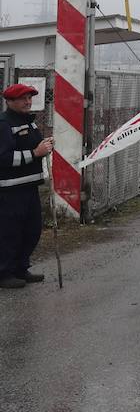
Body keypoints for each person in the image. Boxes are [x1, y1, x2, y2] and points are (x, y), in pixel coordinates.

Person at [0, 83, 52, 289]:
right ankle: (4, 272)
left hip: (29, 187)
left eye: (29, 98)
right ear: (10, 101)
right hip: (10, 190)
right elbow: (3, 158)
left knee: (31, 231)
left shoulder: (28, 122)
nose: (28, 102)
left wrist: (45, 145)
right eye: (23, 98)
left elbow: (34, 146)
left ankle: (21, 267)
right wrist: (35, 153)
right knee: (9, 233)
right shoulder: (4, 124)